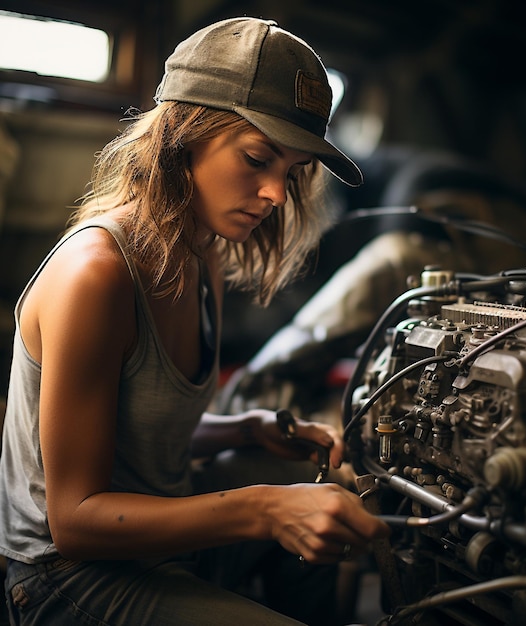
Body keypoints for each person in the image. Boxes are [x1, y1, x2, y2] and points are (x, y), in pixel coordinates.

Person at [0, 16, 389, 626]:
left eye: (290, 173)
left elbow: (139, 434)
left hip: (161, 539)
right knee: (282, 499)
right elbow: (73, 520)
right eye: (257, 158)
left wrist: (244, 429)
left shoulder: (199, 251)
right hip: (67, 578)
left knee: (318, 485)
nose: (276, 195)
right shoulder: (96, 273)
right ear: (184, 134)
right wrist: (265, 510)